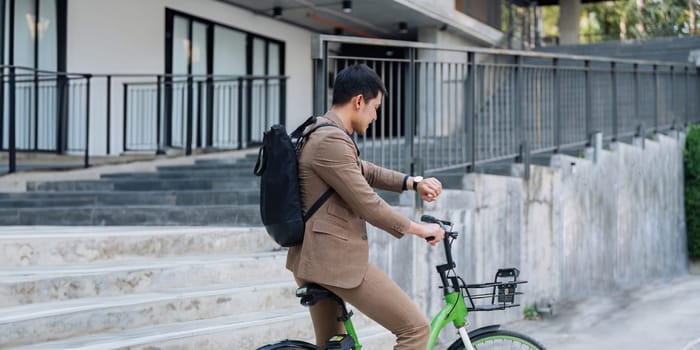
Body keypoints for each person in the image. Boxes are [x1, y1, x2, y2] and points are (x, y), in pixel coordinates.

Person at [286, 63, 445, 350]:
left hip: (313, 259)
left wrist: (412, 182)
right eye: (375, 107)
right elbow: (368, 205)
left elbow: (365, 170)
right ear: (359, 101)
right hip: (332, 261)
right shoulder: (330, 139)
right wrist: (420, 229)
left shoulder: (321, 130)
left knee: (331, 346)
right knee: (416, 330)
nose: (375, 116)